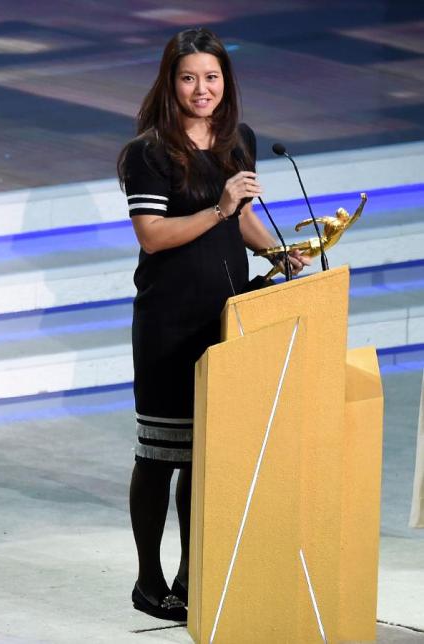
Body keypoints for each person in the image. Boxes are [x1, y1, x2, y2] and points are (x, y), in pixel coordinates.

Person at [117, 27, 309, 622]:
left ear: (227, 82)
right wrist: (219, 208)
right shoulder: (147, 153)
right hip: (170, 322)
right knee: (160, 454)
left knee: (206, 456)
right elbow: (153, 236)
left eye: (212, 77)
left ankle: (190, 574)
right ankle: (149, 581)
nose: (202, 89)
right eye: (189, 77)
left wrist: (280, 254)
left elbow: (244, 219)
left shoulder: (237, 140)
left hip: (227, 317)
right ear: (170, 84)